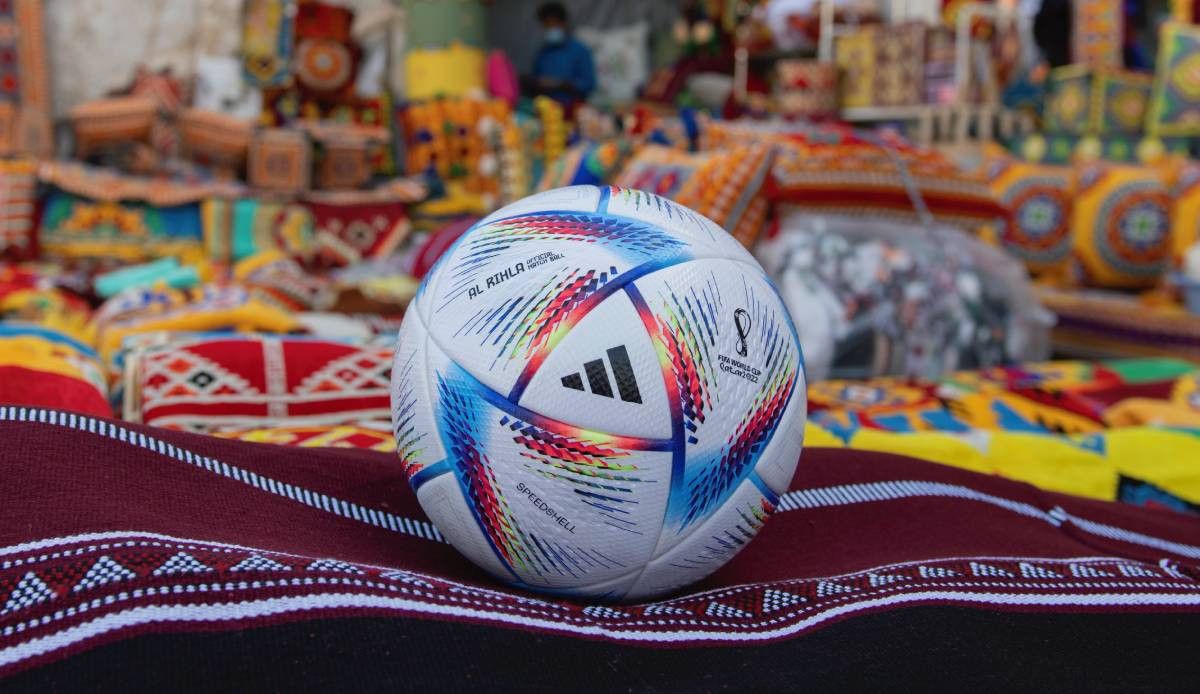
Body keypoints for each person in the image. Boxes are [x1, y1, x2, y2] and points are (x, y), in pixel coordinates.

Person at [525, 2, 596, 109]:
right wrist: (535, 82)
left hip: (572, 108)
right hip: (545, 108)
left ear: (564, 23)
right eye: (547, 26)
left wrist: (562, 84)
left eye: (554, 25)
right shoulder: (543, 52)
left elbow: (589, 84)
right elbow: (536, 79)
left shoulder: (580, 50)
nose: (551, 29)